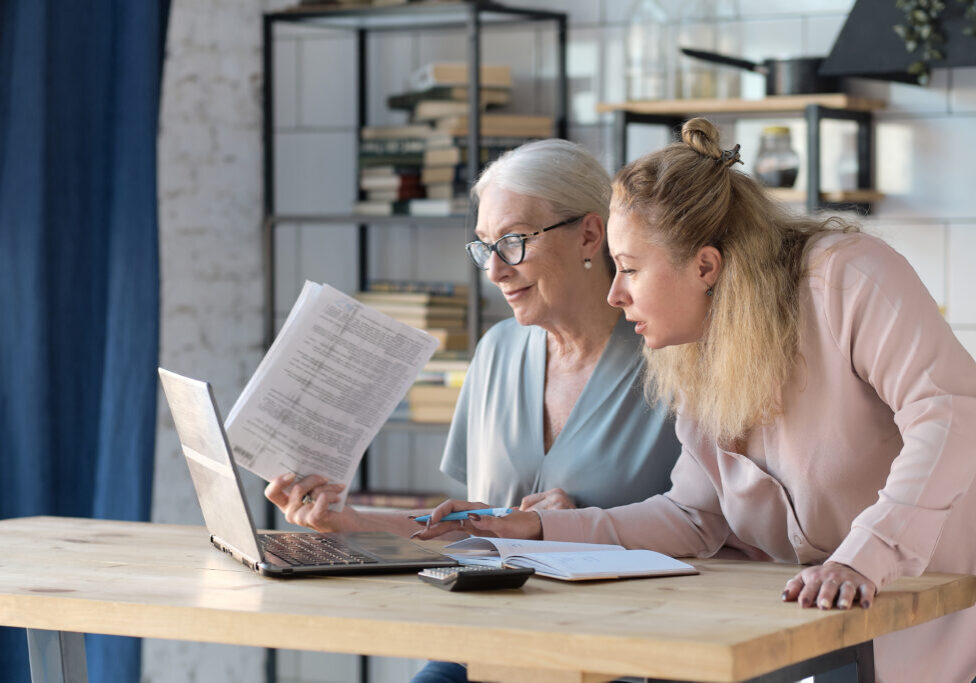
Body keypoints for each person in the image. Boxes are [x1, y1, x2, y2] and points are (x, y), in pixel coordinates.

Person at [418, 119, 976, 683]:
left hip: (935, 609)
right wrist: (538, 531)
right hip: (822, 624)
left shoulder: (845, 278)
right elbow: (694, 516)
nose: (615, 293)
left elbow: (952, 414)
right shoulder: (696, 348)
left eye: (630, 269)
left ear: (705, 266)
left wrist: (866, 554)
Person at [264, 140, 683, 681]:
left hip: (622, 652)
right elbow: (474, 531)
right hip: (489, 644)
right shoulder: (496, 351)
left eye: (511, 242)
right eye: (485, 247)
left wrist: (557, 527)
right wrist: (348, 523)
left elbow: (710, 530)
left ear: (589, 233)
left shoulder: (671, 358)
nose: (494, 271)